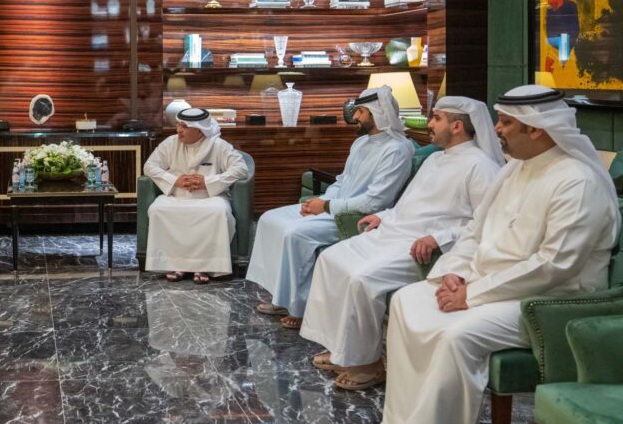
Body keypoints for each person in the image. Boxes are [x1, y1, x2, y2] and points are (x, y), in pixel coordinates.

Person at [377, 85, 620, 424]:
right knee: (408, 301)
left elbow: (554, 264)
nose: (496, 129)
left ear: (535, 128)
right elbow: (475, 229)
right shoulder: (513, 170)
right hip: (486, 283)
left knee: (456, 335)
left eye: (506, 122)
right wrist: (454, 273)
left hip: (551, 301)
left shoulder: (577, 181)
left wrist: (472, 294)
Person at [299, 96, 503, 390]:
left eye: (437, 119)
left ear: (457, 126)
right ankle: (342, 349)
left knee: (361, 278)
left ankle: (368, 363)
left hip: (422, 246)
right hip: (394, 231)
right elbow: (408, 204)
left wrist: (438, 238)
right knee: (331, 258)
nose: (429, 124)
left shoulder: (481, 166)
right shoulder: (435, 159)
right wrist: (382, 216)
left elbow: (484, 223)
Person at [245, 85, 416, 328]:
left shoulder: (397, 149)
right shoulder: (361, 143)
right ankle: (281, 297)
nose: (355, 117)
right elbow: (342, 181)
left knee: (295, 234)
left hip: (357, 217)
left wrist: (326, 206)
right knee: (269, 219)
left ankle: (300, 307)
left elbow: (376, 201)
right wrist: (318, 203)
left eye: (361, 112)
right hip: (334, 206)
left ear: (377, 113)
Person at [142, 107, 249, 283]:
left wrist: (208, 182)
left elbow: (241, 169)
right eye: (178, 125)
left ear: (200, 130)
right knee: (158, 209)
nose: (179, 130)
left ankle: (204, 266)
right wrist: (175, 180)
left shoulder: (218, 145)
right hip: (176, 196)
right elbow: (149, 166)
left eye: (184, 126)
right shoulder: (170, 143)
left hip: (210, 198)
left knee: (218, 212)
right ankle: (177, 263)